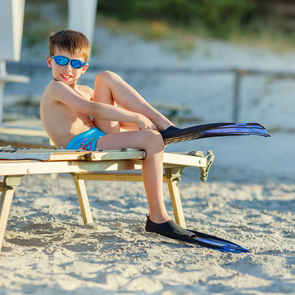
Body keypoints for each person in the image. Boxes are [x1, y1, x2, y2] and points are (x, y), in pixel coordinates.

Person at [40, 29, 195, 242]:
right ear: (50, 61)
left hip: (98, 135)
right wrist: (138, 119)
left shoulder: (84, 89)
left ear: (84, 68)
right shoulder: (56, 89)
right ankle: (157, 217)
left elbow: (114, 118)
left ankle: (164, 125)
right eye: (61, 60)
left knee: (106, 77)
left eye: (75, 64)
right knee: (151, 139)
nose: (67, 68)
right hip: (82, 144)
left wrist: (142, 123)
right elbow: (93, 109)